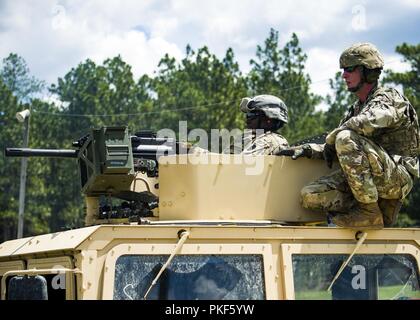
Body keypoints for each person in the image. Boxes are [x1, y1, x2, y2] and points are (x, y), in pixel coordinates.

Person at [277, 43, 420, 229]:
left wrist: (332, 138)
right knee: (309, 195)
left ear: (368, 71)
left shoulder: (390, 98)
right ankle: (374, 211)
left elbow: (369, 122)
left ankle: (369, 213)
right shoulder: (355, 109)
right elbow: (337, 146)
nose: (344, 75)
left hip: (397, 178)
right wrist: (308, 150)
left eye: (350, 69)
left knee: (345, 137)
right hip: (367, 179)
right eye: (344, 70)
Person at [191, 94, 289, 155]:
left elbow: (236, 169)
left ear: (268, 119)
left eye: (252, 114)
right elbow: (222, 161)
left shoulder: (269, 141)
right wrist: (189, 150)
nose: (247, 119)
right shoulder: (252, 138)